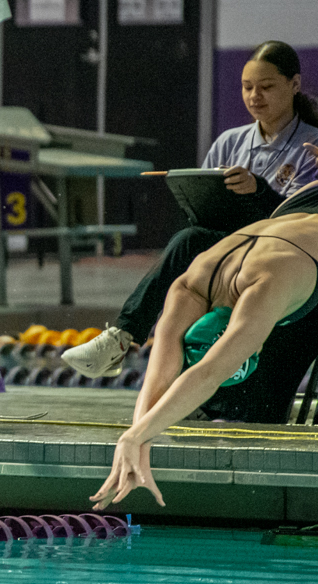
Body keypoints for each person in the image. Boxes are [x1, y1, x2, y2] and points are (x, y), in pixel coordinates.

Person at [66, 41, 318, 378]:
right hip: (231, 249)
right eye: (247, 88)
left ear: (294, 85)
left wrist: (259, 191)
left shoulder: (310, 146)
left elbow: (300, 223)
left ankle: (128, 343)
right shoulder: (230, 142)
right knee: (190, 241)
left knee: (191, 245)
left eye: (267, 87)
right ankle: (122, 339)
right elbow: (204, 205)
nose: (255, 96)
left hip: (286, 260)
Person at [90, 195, 318, 510]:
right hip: (296, 207)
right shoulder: (190, 284)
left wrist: (138, 435)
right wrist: (136, 439)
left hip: (295, 231)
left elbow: (209, 373)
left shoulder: (263, 286)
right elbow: (158, 378)